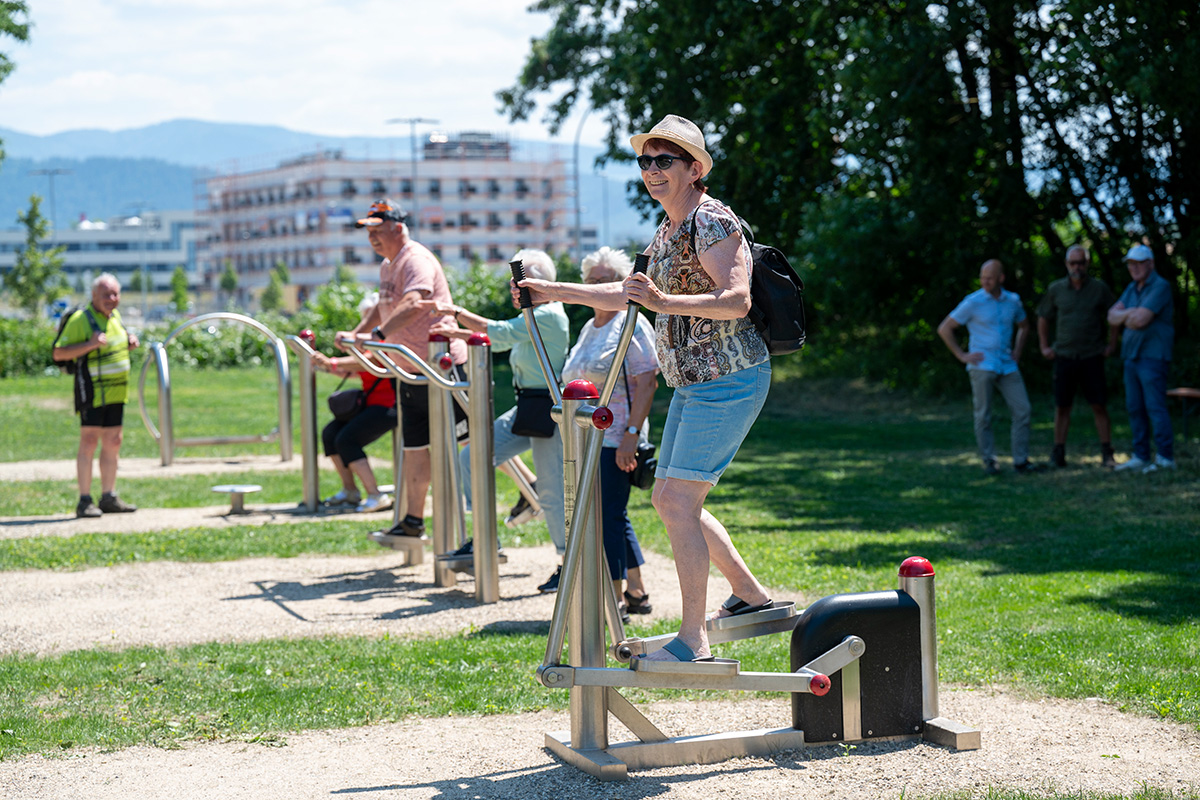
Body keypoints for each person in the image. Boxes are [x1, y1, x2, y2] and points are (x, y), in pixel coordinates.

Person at [517, 114, 775, 662]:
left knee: (678, 500)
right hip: (693, 383)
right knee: (667, 497)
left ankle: (693, 642)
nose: (652, 171)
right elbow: (626, 293)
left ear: (694, 168)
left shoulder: (712, 222)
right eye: (645, 161)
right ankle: (750, 596)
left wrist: (661, 303)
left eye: (665, 161)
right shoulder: (668, 227)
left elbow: (737, 300)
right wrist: (550, 291)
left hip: (728, 379)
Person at [424, 248, 570, 593]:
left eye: (518, 283)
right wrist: (462, 336)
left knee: (551, 491)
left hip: (549, 407)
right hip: (527, 405)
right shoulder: (534, 315)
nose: (513, 290)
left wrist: (456, 313)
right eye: (513, 283)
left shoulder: (550, 315)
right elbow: (503, 339)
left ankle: (568, 562)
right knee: (471, 456)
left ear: (538, 283)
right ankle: (485, 538)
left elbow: (500, 333)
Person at [337, 199, 468, 536]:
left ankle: (518, 495)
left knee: (470, 444)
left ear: (399, 227)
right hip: (411, 369)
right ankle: (412, 521)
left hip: (442, 365)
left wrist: (379, 336)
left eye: (379, 231)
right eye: (369, 233)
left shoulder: (416, 260)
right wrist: (357, 334)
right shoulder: (387, 265)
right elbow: (382, 308)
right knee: (414, 447)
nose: (373, 239)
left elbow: (414, 301)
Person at [561, 246, 657, 621]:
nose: (597, 287)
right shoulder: (589, 327)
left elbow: (647, 381)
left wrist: (632, 434)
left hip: (616, 437)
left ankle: (614, 599)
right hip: (586, 438)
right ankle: (636, 590)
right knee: (613, 514)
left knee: (607, 517)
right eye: (591, 281)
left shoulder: (630, 322)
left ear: (621, 283)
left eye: (605, 280)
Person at [938, 259, 1041, 475]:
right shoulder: (972, 302)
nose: (985, 281)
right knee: (983, 414)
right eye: (983, 277)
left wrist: (1018, 351)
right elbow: (945, 328)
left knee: (1023, 410)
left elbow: (1024, 326)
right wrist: (962, 355)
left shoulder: (1012, 301)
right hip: (982, 364)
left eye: (990, 277)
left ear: (1001, 279)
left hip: (1007, 364)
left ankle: (1021, 461)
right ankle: (989, 461)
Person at [52, 273, 140, 518]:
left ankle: (109, 496)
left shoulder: (116, 317)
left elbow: (114, 343)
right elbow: (58, 353)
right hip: (91, 392)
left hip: (117, 393)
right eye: (106, 295)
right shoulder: (81, 319)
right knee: (89, 442)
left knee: (114, 442)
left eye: (115, 294)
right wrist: (90, 344)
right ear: (93, 296)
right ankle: (84, 500)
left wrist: (129, 342)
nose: (111, 299)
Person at [312, 293, 397, 513]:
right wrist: (330, 366)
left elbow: (370, 361)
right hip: (371, 402)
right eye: (365, 318)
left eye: (372, 318)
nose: (366, 324)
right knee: (330, 433)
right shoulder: (367, 342)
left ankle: (375, 494)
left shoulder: (388, 338)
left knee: (347, 439)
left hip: (390, 406)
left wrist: (333, 362)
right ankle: (350, 490)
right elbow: (362, 371)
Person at [1036, 245, 1119, 468]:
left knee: (1099, 405)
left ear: (1087, 264)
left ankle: (1107, 451)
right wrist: (1044, 346)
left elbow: (1115, 314)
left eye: (1080, 263)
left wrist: (1111, 344)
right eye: (1072, 263)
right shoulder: (1056, 289)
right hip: (1064, 355)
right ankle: (1058, 451)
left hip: (1092, 355)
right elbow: (1043, 317)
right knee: (1062, 406)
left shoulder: (1099, 289)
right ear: (1066, 264)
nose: (1077, 267)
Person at [1107, 244, 1175, 473]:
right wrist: (1130, 313)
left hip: (1153, 356)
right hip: (1131, 356)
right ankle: (1141, 455)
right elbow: (1111, 316)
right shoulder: (1132, 288)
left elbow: (1141, 320)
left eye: (1138, 263)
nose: (1134, 268)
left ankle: (1165, 458)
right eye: (1130, 264)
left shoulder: (1161, 286)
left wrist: (1125, 315)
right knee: (1134, 407)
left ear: (1151, 264)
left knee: (1154, 407)